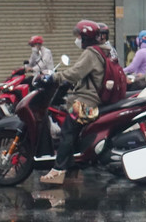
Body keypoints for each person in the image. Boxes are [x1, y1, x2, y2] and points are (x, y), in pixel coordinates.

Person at [38, 20, 109, 185]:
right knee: (72, 131)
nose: (77, 39)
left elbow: (76, 72)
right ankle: (72, 168)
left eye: (79, 36)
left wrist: (55, 77)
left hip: (88, 101)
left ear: (86, 37)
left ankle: (58, 170)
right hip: (90, 98)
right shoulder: (99, 51)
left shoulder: (91, 53)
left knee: (67, 130)